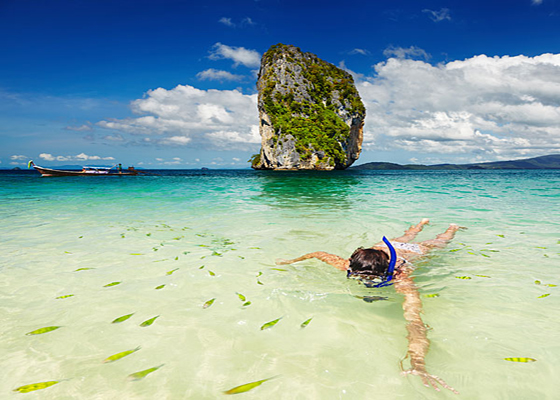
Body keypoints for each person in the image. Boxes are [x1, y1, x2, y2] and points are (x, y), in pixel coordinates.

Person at [276, 219, 462, 394]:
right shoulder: (346, 265)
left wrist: (418, 361)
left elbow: (414, 320)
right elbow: (317, 254)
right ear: (351, 266)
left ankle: (452, 228)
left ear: (389, 272)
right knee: (407, 235)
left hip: (413, 251)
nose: (365, 281)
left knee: (438, 242)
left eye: (372, 278)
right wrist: (290, 262)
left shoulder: (402, 278)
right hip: (382, 249)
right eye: (359, 276)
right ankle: (421, 223)